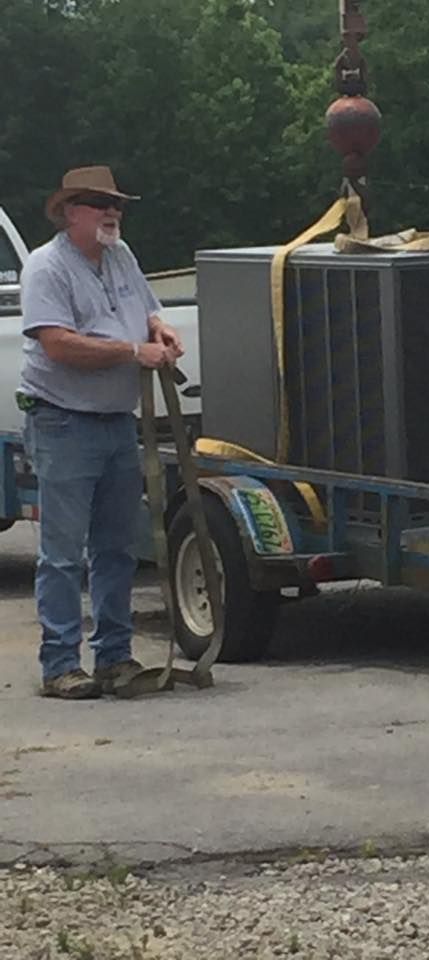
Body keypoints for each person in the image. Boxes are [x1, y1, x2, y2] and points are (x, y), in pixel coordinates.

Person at [19, 165, 183, 698]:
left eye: (115, 203)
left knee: (116, 549)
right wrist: (135, 351)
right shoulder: (46, 268)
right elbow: (59, 345)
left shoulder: (122, 256)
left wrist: (158, 328)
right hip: (64, 420)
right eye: (97, 202)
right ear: (69, 212)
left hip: (116, 420)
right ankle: (60, 665)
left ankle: (115, 659)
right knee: (63, 552)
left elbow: (147, 309)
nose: (111, 212)